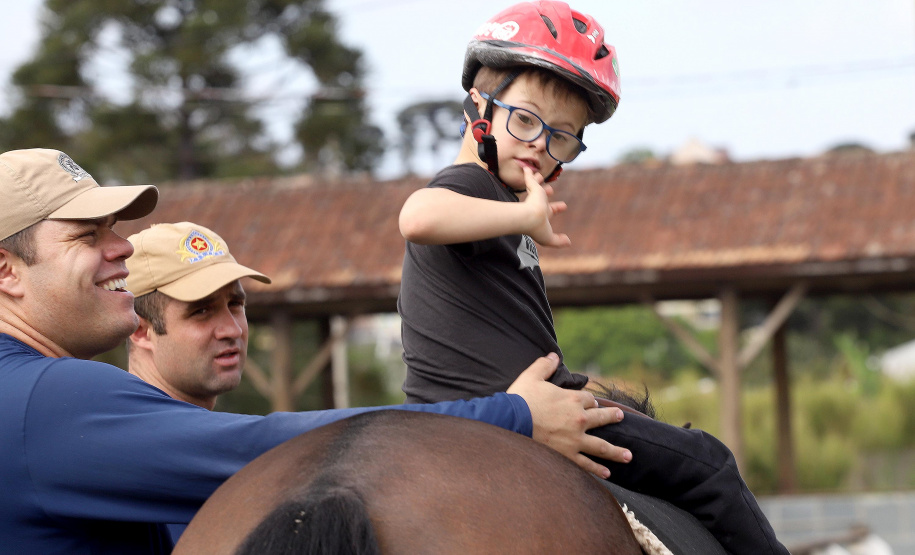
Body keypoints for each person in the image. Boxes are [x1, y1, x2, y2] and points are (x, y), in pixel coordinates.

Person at [0, 148, 628, 554]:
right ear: (8, 271)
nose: (124, 249)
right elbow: (276, 450)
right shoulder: (47, 400)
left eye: (236, 303)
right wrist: (509, 417)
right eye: (88, 235)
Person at [396, 2, 788, 554]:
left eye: (563, 137)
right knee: (710, 464)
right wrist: (524, 217)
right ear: (475, 109)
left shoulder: (495, 203)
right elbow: (416, 217)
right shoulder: (470, 187)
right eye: (526, 119)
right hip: (522, 406)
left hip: (491, 402)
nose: (540, 144)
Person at [125, 221, 269, 411]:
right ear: (140, 331)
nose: (233, 330)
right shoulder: (140, 435)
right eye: (201, 311)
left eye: (235, 304)